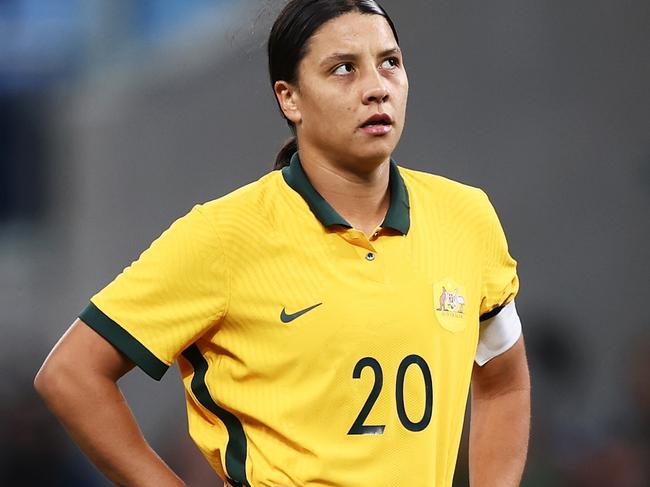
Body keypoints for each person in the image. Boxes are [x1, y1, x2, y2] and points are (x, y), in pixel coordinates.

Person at [34, 1, 531, 486]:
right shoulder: (225, 235)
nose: (376, 88)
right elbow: (71, 373)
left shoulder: (466, 217)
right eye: (343, 69)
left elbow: (503, 381)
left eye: (390, 63)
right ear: (288, 97)